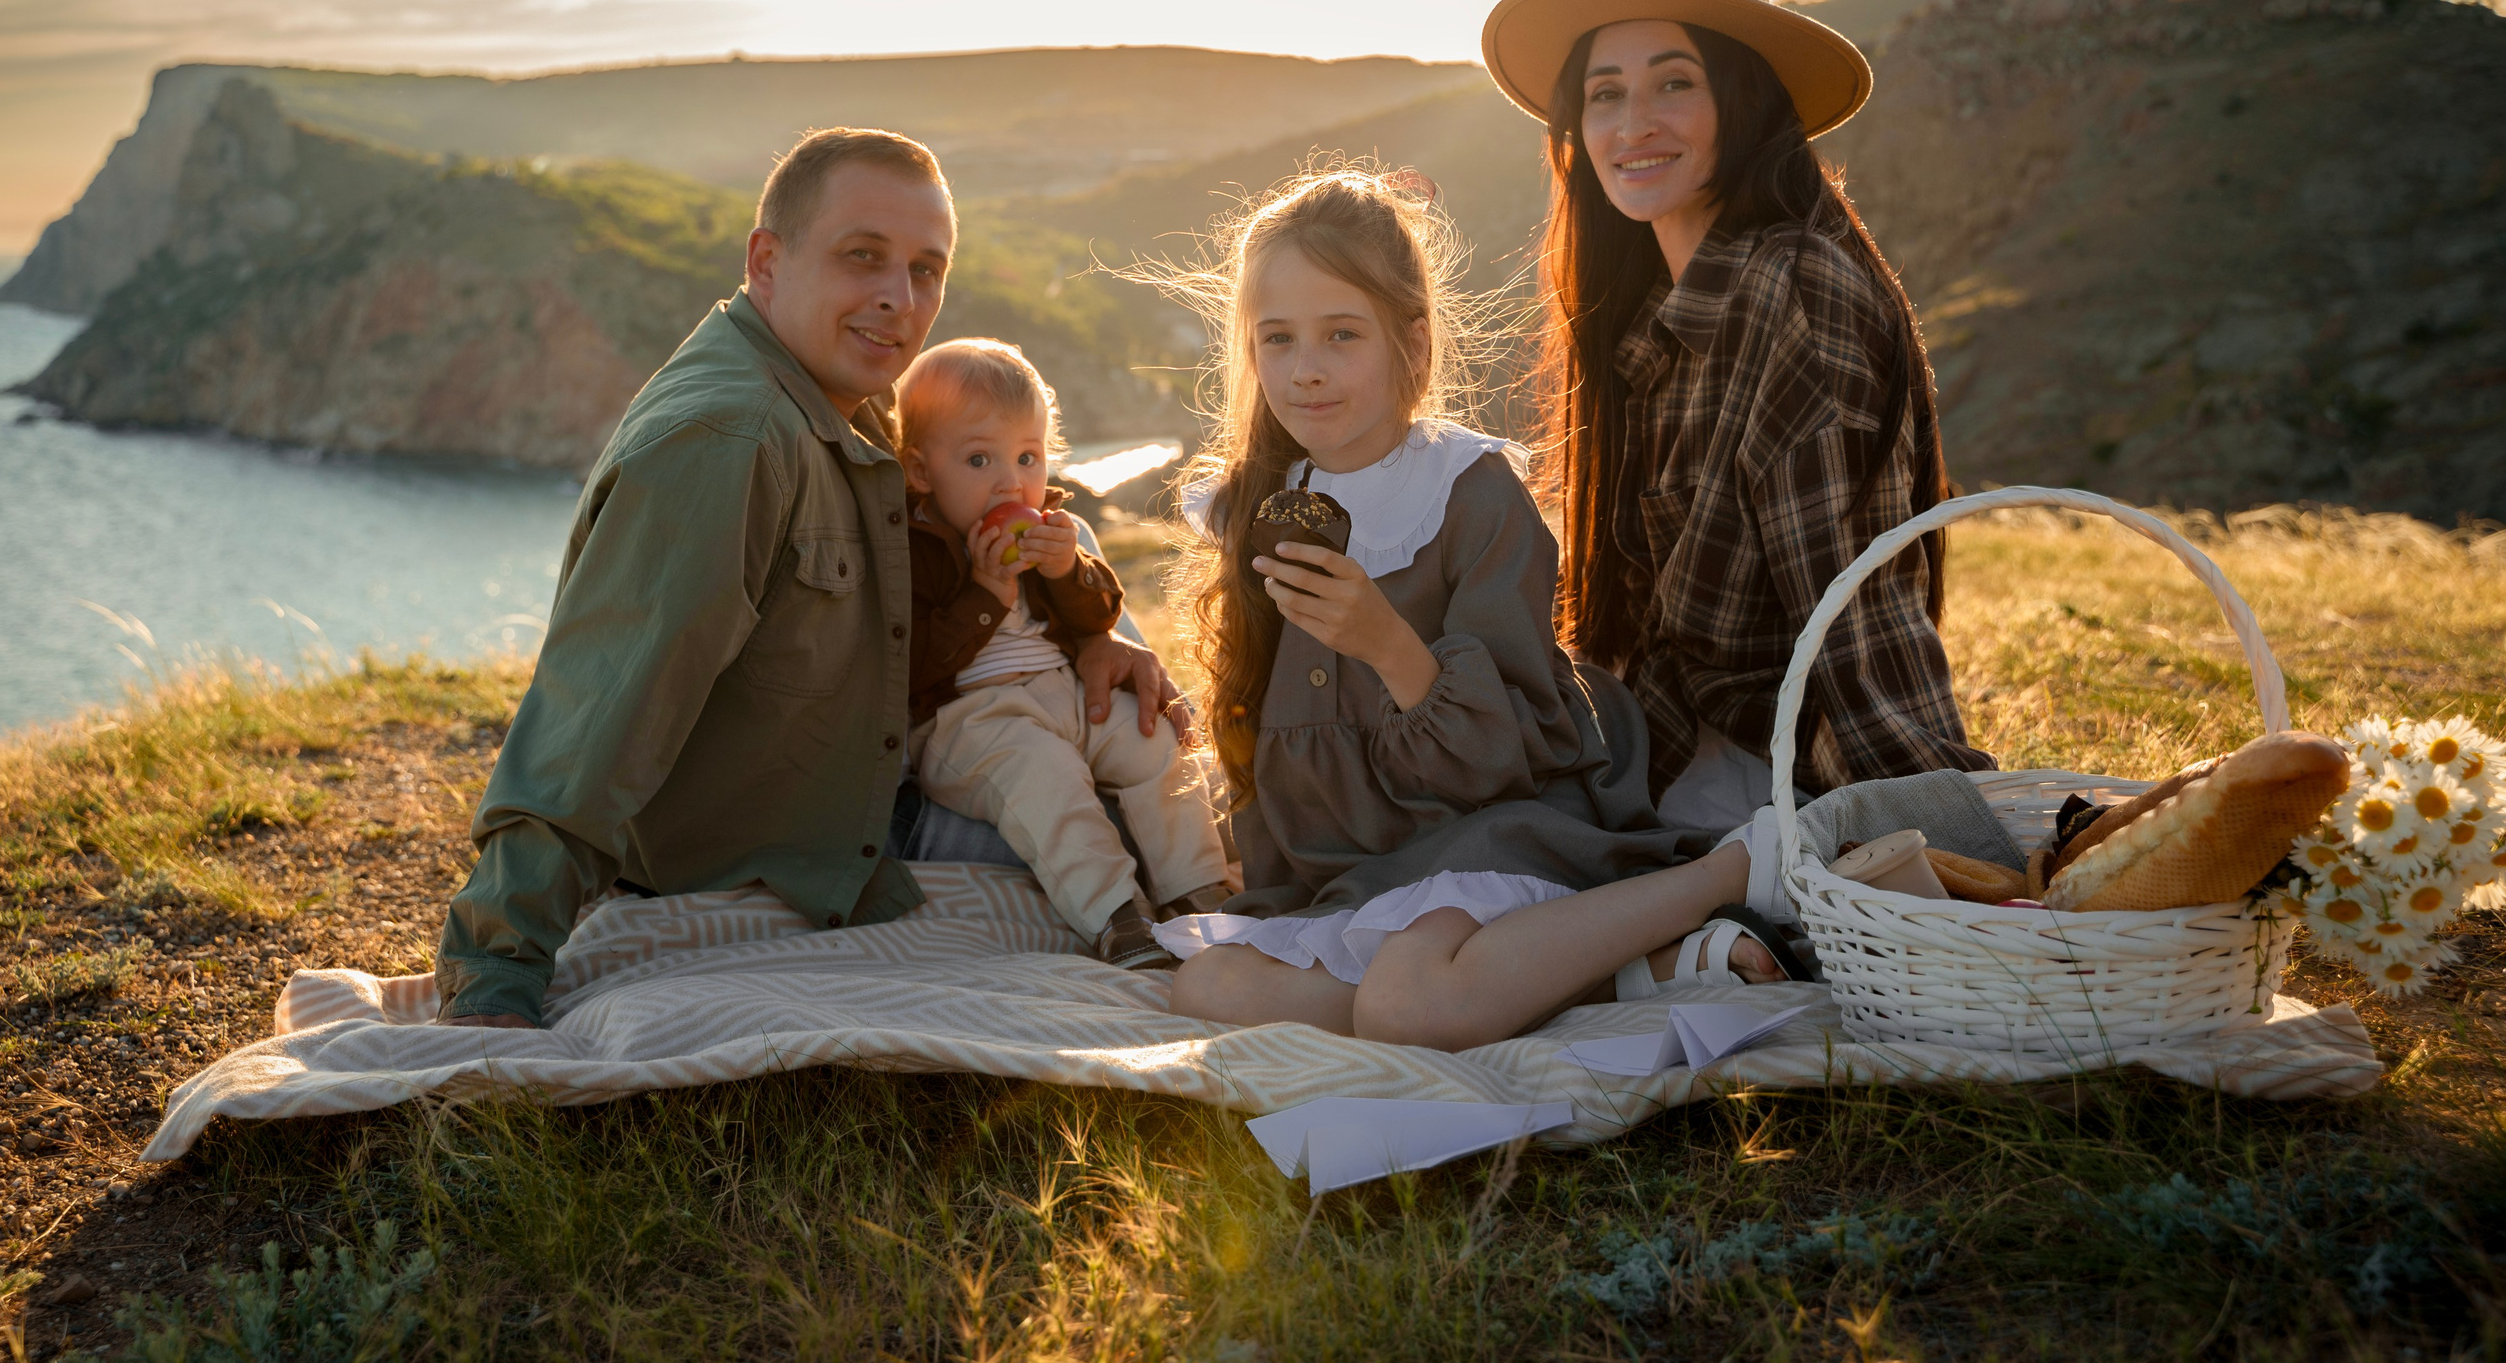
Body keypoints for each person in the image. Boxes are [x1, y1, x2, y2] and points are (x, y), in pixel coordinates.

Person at [433, 128, 1182, 1029]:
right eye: (862, 257)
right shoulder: (730, 443)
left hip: (892, 759)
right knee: (1147, 816)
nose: (899, 299)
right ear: (767, 260)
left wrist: (1098, 635)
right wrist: (496, 974)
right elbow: (596, 720)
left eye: (926, 270)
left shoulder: (841, 391)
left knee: (1164, 753)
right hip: (827, 839)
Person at [1157, 169, 1798, 1051]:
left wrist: (1388, 644)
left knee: (1405, 1006)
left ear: (1411, 344)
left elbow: (1527, 739)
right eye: (1277, 339)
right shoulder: (1258, 508)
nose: (1305, 369)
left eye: (1342, 334)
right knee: (1208, 986)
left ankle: (1726, 874)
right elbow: (1269, 725)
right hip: (1359, 870)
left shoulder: (1469, 493)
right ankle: (1598, 972)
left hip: (1494, 831)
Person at [1485, 0, 1994, 834]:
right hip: (1665, 761)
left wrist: (1952, 864)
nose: (1633, 122)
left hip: (1770, 794)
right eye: (1606, 93)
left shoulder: (1791, 291)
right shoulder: (1654, 316)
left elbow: (1850, 619)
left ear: (1745, 97)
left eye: (1676, 82)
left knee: (1438, 943)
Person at [898, 338, 1231, 970]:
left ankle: (1197, 892)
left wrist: (1068, 568)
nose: (1011, 481)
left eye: (1028, 456)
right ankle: (1116, 916)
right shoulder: (919, 550)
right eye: (978, 459)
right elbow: (916, 664)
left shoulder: (1050, 530)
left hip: (1066, 694)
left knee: (1153, 744)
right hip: (974, 722)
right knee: (1046, 784)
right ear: (921, 472)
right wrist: (986, 591)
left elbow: (1100, 617)